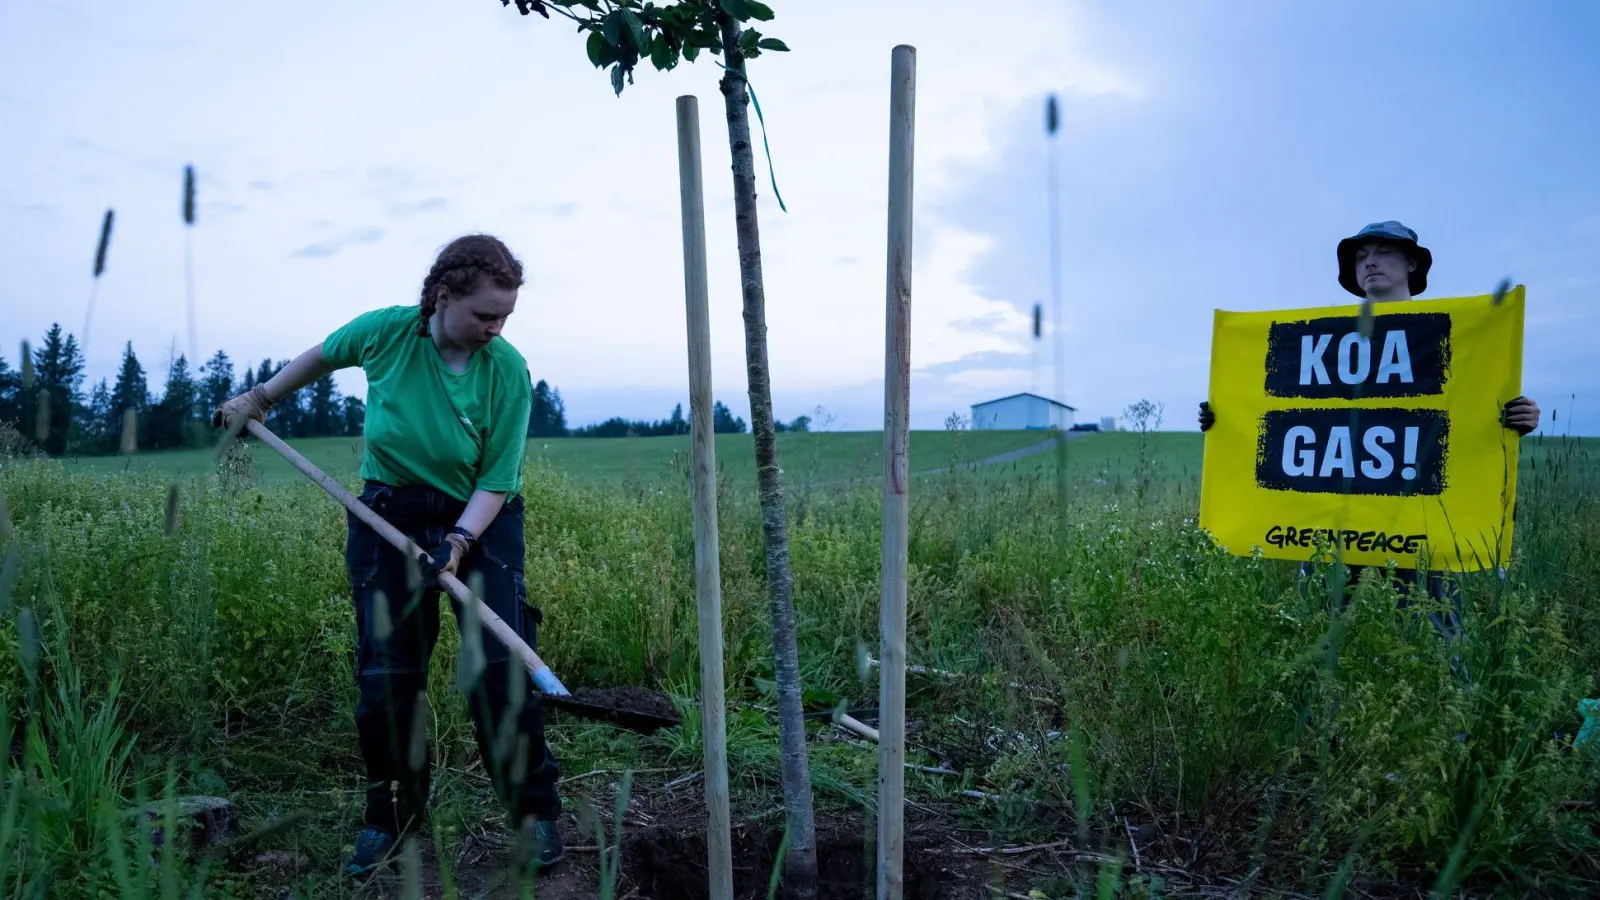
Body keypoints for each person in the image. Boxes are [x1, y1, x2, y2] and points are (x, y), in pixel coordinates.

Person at [213, 234, 563, 877]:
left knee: (496, 669)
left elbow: (498, 477)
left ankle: (535, 814)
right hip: (387, 515)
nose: (496, 327)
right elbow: (321, 357)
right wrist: (260, 400)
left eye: (506, 317)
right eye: (486, 314)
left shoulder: (507, 371)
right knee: (388, 679)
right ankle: (391, 821)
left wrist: (458, 543)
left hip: (481, 520)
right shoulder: (386, 334)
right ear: (443, 296)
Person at [1198, 221, 1541, 631]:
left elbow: (1474, 403)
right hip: (1338, 517)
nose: (1370, 263)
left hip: (1422, 519)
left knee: (1437, 634)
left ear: (1412, 261)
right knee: (1316, 627)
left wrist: (1519, 417)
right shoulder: (1325, 339)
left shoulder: (1453, 333)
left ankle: (1445, 695)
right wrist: (1223, 417)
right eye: (1361, 257)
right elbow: (1272, 408)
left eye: (1383, 252)